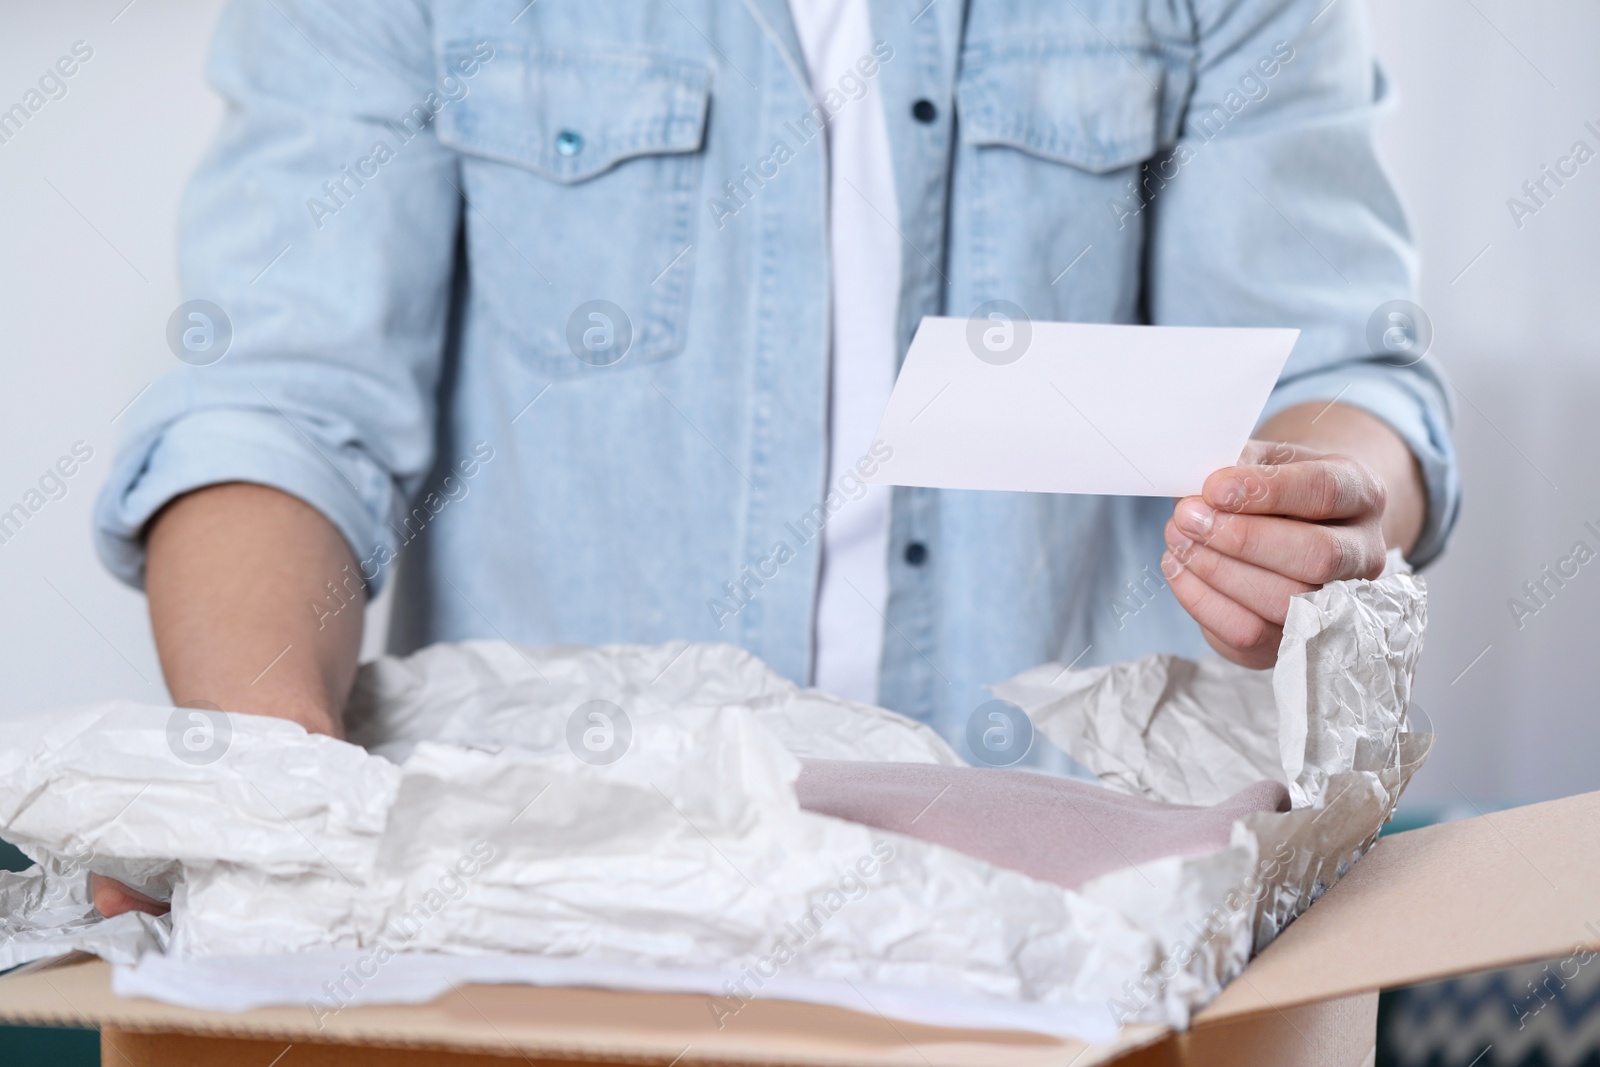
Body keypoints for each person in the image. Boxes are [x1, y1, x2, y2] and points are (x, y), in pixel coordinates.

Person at [92, 0, 1456, 916]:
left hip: (1073, 930)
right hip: (556, 912)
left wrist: (1320, 510)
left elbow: (1342, 380)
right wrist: (267, 781)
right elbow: (275, 404)